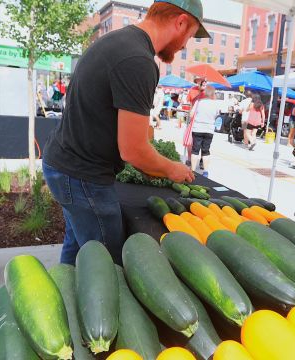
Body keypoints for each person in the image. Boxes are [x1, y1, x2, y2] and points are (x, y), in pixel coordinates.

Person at [42, 0, 207, 265]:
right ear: (181, 22)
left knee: (78, 255)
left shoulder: (119, 42)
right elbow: (133, 151)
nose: (186, 44)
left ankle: (66, 298)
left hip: (65, 165)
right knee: (108, 267)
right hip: (84, 177)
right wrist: (170, 168)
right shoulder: (138, 61)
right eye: (190, 35)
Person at [189, 85, 219, 177]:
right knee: (206, 151)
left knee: (195, 150)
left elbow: (191, 115)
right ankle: (205, 172)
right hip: (209, 130)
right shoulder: (215, 104)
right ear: (213, 94)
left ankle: (193, 171)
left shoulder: (198, 102)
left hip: (197, 128)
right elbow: (217, 116)